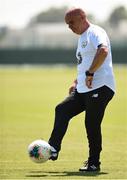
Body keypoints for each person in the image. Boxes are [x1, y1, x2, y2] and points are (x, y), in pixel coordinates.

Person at [48, 8, 115, 172]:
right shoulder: (82, 38)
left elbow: (103, 51)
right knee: (62, 109)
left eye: (71, 22)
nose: (69, 26)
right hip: (84, 89)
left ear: (82, 17)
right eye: (67, 24)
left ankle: (94, 163)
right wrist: (76, 81)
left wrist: (90, 73)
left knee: (91, 124)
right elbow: (84, 65)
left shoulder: (94, 32)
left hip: (101, 86)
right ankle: (52, 148)